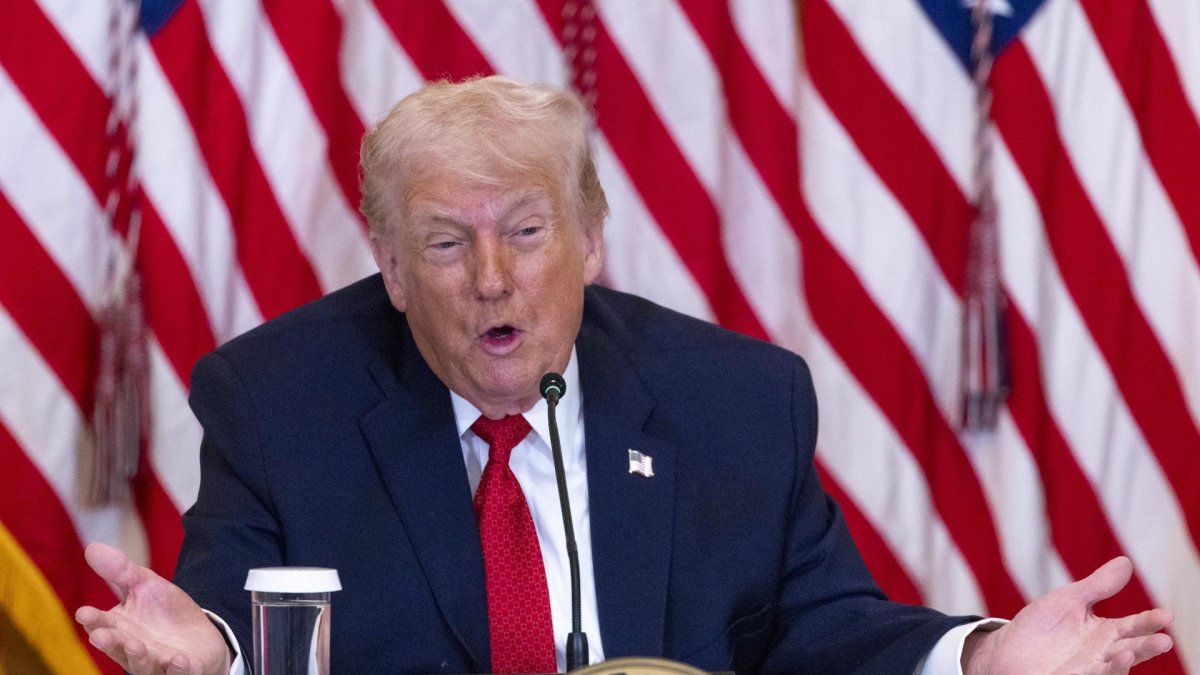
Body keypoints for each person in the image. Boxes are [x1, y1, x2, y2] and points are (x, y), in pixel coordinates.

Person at [76, 76, 1174, 675]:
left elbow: (817, 628)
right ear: (393, 268)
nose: (494, 279)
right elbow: (241, 615)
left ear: (592, 241)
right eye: (448, 245)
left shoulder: (737, 401)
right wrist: (210, 657)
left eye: (528, 231)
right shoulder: (276, 401)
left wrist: (977, 661)